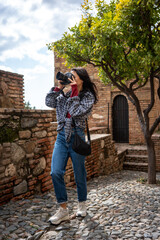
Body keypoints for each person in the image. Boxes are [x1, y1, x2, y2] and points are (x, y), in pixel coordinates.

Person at [45, 67, 98, 225]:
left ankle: (82, 204)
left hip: (77, 136)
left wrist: (74, 91)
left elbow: (75, 112)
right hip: (62, 136)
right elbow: (49, 102)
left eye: (73, 76)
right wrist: (59, 88)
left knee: (79, 174)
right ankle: (63, 210)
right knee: (55, 172)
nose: (70, 79)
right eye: (69, 76)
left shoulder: (88, 97)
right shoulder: (65, 93)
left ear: (81, 79)